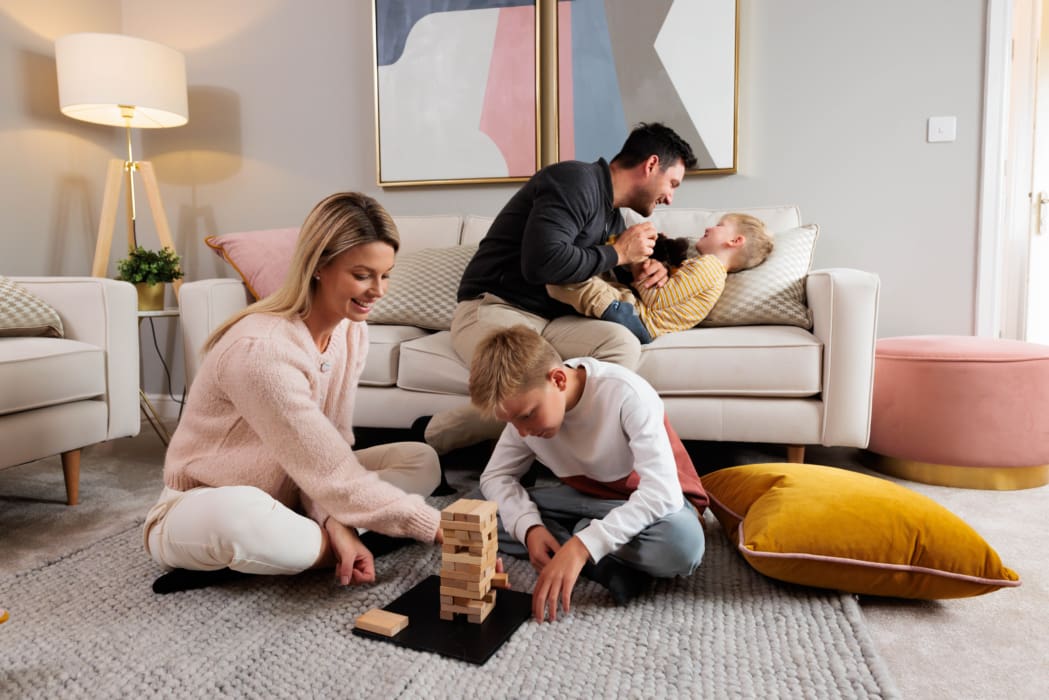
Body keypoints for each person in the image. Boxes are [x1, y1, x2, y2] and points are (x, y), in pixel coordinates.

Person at [143, 192, 444, 594]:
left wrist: (333, 517)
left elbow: (329, 447)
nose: (378, 291)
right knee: (244, 518)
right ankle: (329, 546)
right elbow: (330, 472)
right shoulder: (262, 350)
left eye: (385, 274)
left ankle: (329, 536)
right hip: (203, 503)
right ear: (319, 266)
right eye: (362, 275)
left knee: (419, 459)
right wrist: (437, 527)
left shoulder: (351, 330)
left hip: (293, 487)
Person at [424, 122, 698, 454]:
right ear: (651, 164)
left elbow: (591, 270)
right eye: (672, 183)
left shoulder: (613, 218)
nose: (670, 197)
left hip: (553, 321)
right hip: (496, 307)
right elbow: (540, 262)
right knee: (538, 382)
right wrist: (619, 252)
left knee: (621, 344)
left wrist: (638, 268)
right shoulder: (575, 181)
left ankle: (570, 456)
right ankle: (430, 434)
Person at [471, 325, 708, 623]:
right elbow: (495, 477)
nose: (521, 431)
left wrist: (584, 545)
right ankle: (604, 562)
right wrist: (530, 529)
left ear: (558, 380)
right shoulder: (525, 414)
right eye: (511, 422)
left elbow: (662, 494)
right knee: (478, 509)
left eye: (527, 415)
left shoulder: (627, 393)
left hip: (657, 506)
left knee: (683, 545)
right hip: (584, 501)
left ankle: (582, 547)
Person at [547, 213, 774, 343]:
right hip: (634, 309)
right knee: (595, 272)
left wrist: (640, 266)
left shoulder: (710, 267)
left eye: (719, 226)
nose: (709, 227)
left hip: (637, 319)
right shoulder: (706, 268)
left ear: (735, 241)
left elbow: (658, 300)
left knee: (572, 281)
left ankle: (555, 270)